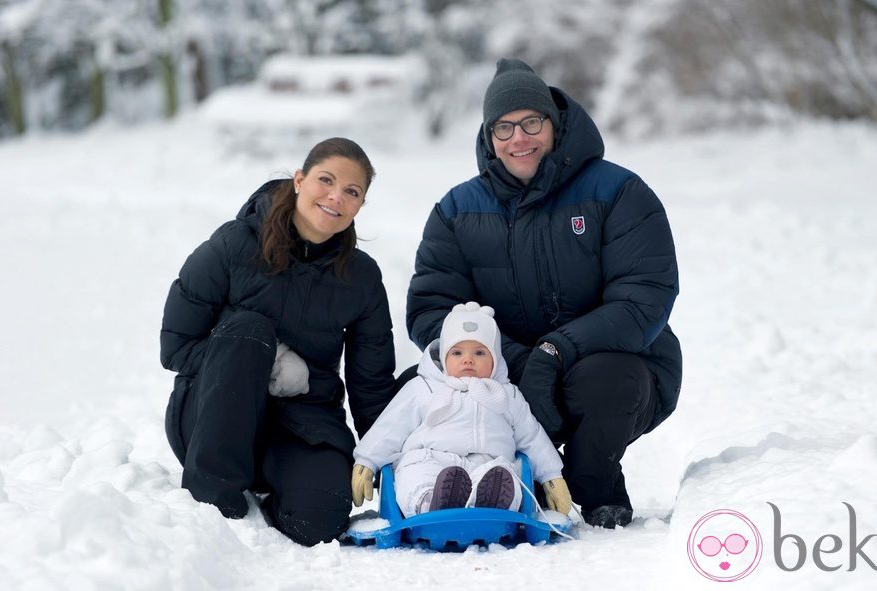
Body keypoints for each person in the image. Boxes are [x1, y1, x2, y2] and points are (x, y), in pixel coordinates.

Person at [406, 59, 682, 529]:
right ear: (489, 137)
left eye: (531, 122)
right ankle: (471, 485)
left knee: (606, 380)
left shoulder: (618, 192)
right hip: (502, 369)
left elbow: (643, 298)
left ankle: (592, 481)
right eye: (504, 127)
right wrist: (507, 357)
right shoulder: (456, 210)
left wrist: (555, 352)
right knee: (421, 395)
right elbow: (433, 309)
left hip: (605, 363)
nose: (519, 138)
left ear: (554, 123)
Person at [160, 137, 396, 546]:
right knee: (249, 328)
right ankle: (215, 500)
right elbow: (176, 346)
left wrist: (392, 465)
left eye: (352, 191)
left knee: (319, 521)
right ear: (300, 180)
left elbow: (369, 386)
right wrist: (266, 360)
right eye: (326, 180)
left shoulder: (361, 278)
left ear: (359, 205)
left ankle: (276, 488)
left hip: (302, 422)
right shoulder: (234, 244)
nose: (336, 197)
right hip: (212, 418)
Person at [350, 302, 572, 518]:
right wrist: (366, 461)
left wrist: (551, 476)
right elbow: (391, 427)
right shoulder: (423, 388)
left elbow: (531, 437)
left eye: (479, 353)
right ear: (444, 356)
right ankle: (430, 502)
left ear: (495, 359)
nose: (468, 360)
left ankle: (492, 501)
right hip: (430, 457)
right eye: (457, 353)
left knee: (507, 476)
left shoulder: (505, 394)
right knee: (414, 474)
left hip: (488, 462)